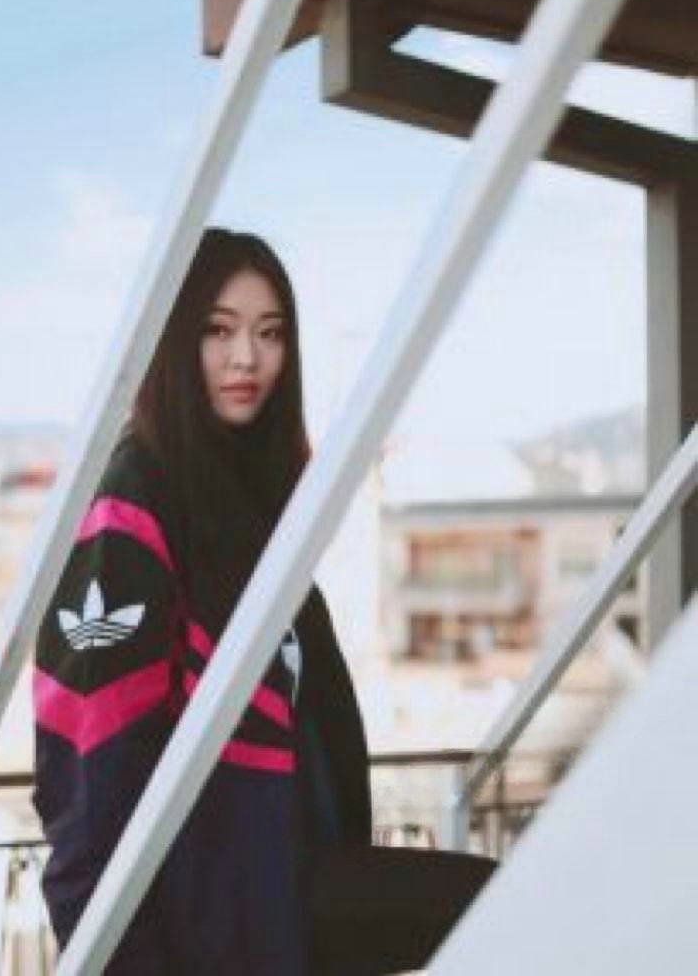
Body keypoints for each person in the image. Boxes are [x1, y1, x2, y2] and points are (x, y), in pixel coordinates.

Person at [31, 228, 493, 973]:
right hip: (211, 910)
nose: (247, 357)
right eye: (218, 330)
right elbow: (90, 756)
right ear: (174, 342)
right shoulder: (136, 499)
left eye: (270, 334)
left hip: (286, 884)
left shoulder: (250, 509)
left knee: (505, 905)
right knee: (498, 902)